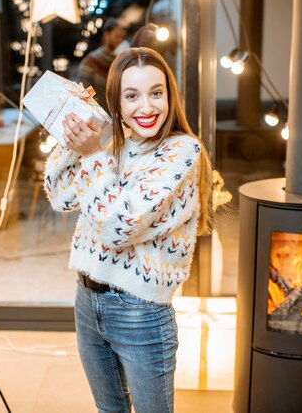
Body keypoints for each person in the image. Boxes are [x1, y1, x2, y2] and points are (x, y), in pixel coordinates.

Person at [44, 47, 222, 413]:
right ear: (117, 104)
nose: (146, 107)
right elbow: (60, 197)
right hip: (86, 299)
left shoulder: (181, 152)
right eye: (131, 96)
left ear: (170, 96)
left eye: (156, 93)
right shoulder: (112, 142)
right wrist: (75, 137)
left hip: (140, 312)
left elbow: (117, 228)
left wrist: (93, 154)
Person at [76, 18, 127, 108]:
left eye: (122, 38)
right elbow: (83, 94)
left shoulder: (121, 63)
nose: (120, 41)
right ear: (106, 35)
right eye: (117, 36)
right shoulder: (90, 61)